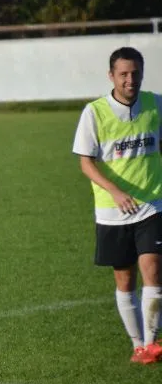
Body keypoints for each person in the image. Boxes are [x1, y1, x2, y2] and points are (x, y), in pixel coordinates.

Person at [72, 46, 162, 364]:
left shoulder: (156, 104)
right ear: (111, 76)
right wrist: (116, 192)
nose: (130, 80)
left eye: (135, 73)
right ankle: (138, 345)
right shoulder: (94, 112)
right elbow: (86, 162)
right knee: (125, 280)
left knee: (154, 269)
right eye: (123, 74)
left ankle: (151, 344)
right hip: (112, 212)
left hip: (151, 204)